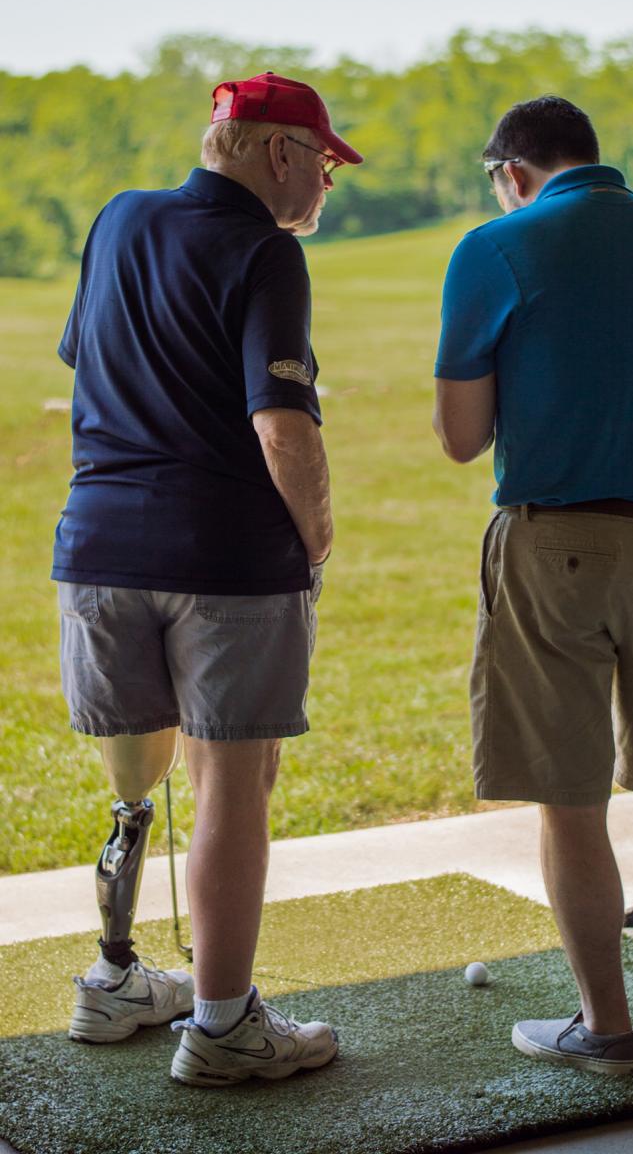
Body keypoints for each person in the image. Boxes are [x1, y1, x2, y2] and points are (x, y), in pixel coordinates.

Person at [53, 72, 362, 1086]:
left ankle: (112, 984)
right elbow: (283, 426)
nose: (327, 186)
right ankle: (223, 1027)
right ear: (279, 152)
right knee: (236, 783)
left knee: (135, 790)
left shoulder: (119, 219)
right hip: (227, 561)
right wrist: (314, 543)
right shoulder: (267, 251)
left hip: (97, 550)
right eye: (323, 163)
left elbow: (87, 360)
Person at [433, 96, 633, 1075]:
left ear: (511, 171)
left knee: (570, 797)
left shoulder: (497, 244)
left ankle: (605, 1028)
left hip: (556, 544)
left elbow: (460, 437)